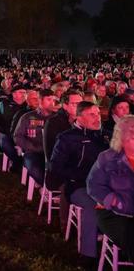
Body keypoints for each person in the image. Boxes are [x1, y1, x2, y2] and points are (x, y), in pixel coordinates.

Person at [50, 101, 109, 261]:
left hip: (107, 185)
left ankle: (120, 241)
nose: (97, 118)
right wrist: (86, 176)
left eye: (98, 114)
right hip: (78, 186)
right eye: (92, 114)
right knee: (92, 205)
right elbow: (56, 167)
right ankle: (87, 254)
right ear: (79, 117)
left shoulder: (106, 135)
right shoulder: (67, 138)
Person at [87, 115, 134, 262]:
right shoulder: (107, 158)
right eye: (132, 132)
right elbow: (93, 185)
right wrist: (112, 200)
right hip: (113, 213)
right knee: (131, 234)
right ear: (122, 136)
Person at [13, 89, 58, 185]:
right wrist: (32, 147)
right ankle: (46, 186)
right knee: (33, 166)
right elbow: (18, 136)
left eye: (54, 100)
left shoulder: (57, 118)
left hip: (53, 153)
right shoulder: (28, 117)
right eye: (49, 100)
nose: (52, 103)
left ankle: (51, 188)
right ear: (40, 101)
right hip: (34, 152)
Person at [0, 84, 27, 172]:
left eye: (25, 93)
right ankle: (17, 162)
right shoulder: (4, 104)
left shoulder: (28, 106)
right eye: (21, 92)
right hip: (6, 133)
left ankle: (19, 163)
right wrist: (2, 130)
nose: (24, 95)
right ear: (14, 94)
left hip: (24, 134)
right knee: (4, 142)